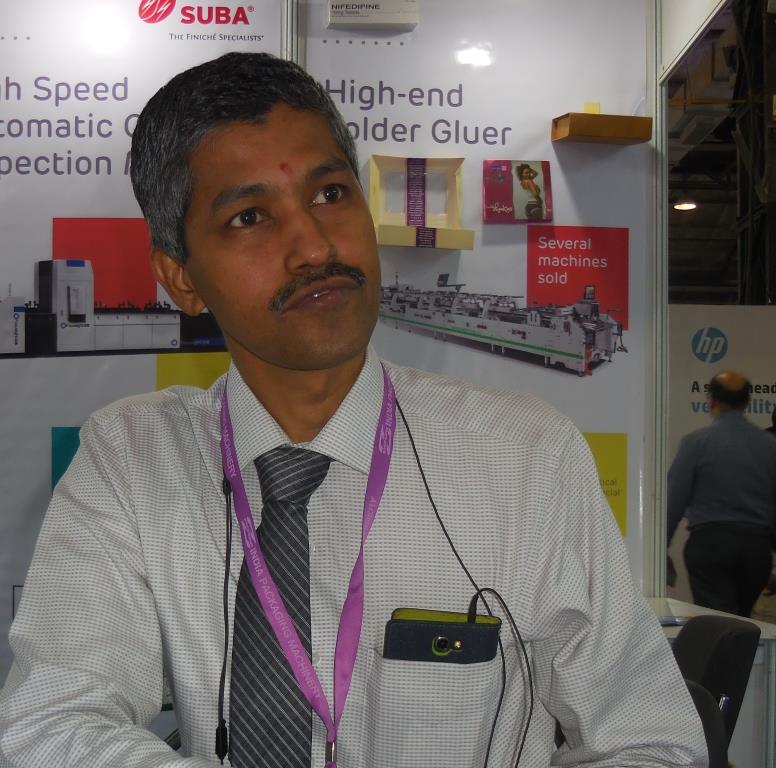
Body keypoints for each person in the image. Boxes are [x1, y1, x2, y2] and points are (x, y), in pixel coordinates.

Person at [0, 52, 706, 767]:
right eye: (250, 217)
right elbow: (51, 723)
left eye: (331, 193)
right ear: (181, 278)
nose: (313, 245)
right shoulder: (132, 460)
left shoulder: (526, 457)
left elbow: (649, 743)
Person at [668, 371, 776, 617]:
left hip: (710, 546)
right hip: (756, 549)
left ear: (712, 401)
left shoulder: (695, 443)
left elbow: (674, 501)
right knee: (743, 619)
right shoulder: (770, 446)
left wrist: (659, 549)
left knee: (717, 620)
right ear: (747, 402)